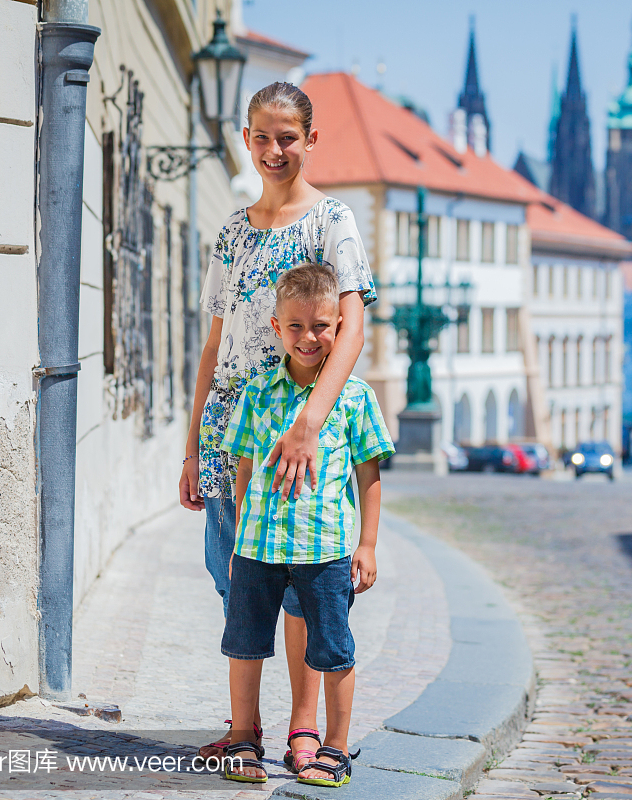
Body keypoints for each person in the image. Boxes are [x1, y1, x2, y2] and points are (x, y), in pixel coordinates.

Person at [178, 82, 377, 765]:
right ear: (246, 140)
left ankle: (302, 728)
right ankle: (245, 729)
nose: (273, 149)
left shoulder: (332, 221)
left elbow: (352, 329)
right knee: (238, 581)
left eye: (287, 137)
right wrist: (191, 448)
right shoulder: (232, 230)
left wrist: (310, 423)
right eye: (261, 136)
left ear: (309, 141)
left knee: (299, 585)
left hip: (295, 433)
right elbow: (214, 345)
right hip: (228, 434)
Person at [219, 264, 394, 786]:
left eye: (321, 326)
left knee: (333, 649)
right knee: (244, 645)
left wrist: (367, 544)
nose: (309, 337)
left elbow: (369, 474)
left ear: (340, 326)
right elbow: (244, 466)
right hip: (258, 548)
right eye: (295, 326)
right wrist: (240, 538)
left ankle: (335, 749)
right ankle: (244, 739)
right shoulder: (256, 393)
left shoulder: (355, 398)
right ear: (277, 328)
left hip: (325, 551)